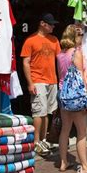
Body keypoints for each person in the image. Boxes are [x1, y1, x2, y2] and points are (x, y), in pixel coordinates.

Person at [57, 24, 87, 173]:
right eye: (80, 35)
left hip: (63, 96)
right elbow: (80, 78)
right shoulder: (76, 53)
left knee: (65, 129)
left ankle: (63, 162)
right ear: (74, 37)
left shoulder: (60, 55)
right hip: (76, 97)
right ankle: (84, 166)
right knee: (82, 132)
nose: (82, 38)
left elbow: (62, 78)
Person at [21, 13, 61, 156]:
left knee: (48, 111)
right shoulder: (30, 40)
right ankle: (36, 141)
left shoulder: (54, 40)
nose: (53, 26)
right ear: (42, 24)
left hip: (52, 80)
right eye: (50, 24)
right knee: (39, 111)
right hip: (38, 80)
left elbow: (60, 60)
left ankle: (43, 140)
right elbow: (25, 62)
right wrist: (30, 83)